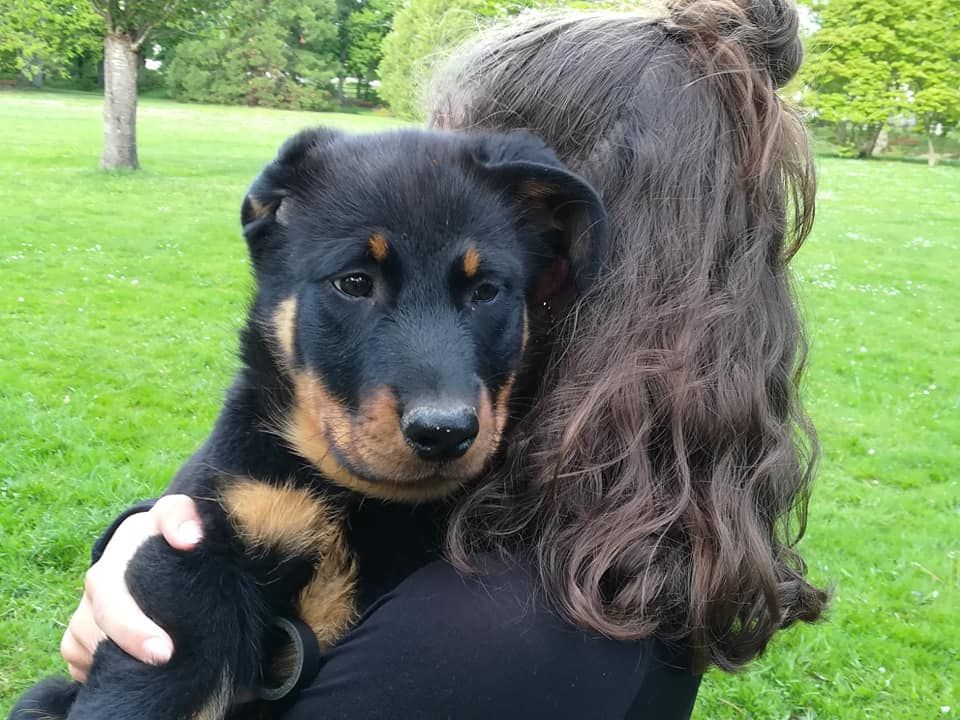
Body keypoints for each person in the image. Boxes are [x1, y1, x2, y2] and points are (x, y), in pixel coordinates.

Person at [57, 1, 827, 717]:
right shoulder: (619, 509)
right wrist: (160, 548)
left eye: (445, 154)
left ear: (558, 258)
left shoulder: (496, 637)